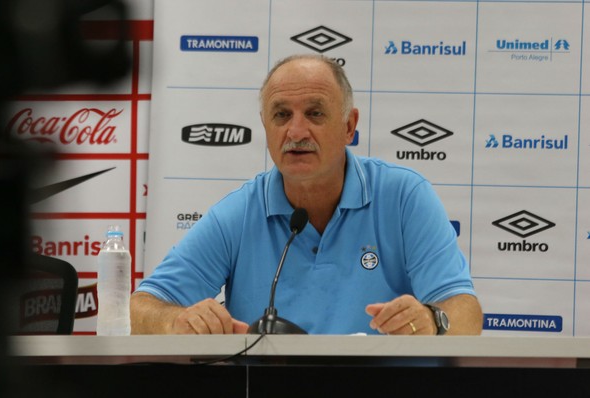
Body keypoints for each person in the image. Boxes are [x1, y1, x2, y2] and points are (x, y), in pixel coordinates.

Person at [131, 54, 483, 335]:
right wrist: (176, 323)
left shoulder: (404, 196)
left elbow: (465, 313)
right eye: (282, 115)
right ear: (266, 126)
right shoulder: (239, 213)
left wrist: (433, 321)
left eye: (314, 113)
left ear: (348, 126)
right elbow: (141, 308)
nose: (296, 131)